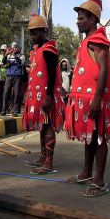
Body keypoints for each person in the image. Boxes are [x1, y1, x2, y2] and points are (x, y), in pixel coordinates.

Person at [64, 0, 110, 195]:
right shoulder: (87, 40)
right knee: (89, 137)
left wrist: (97, 99)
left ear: (93, 19)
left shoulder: (98, 40)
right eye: (77, 18)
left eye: (82, 18)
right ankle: (86, 172)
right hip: (85, 98)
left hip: (96, 99)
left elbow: (103, 71)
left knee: (99, 138)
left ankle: (99, 180)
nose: (78, 21)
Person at [23, 14, 65, 175]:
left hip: (46, 95)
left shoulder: (49, 48)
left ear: (43, 31)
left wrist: (48, 96)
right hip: (37, 94)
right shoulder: (36, 50)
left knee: (47, 126)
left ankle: (49, 162)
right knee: (41, 126)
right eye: (30, 33)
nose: (32, 36)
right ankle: (42, 157)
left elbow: (52, 74)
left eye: (35, 33)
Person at [1, 42, 24, 116]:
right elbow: (3, 62)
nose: (14, 49)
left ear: (19, 48)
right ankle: (4, 110)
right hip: (9, 75)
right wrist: (6, 54)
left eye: (16, 47)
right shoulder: (9, 55)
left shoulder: (21, 56)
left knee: (16, 93)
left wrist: (14, 55)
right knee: (6, 92)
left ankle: (15, 111)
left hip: (18, 76)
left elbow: (20, 62)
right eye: (13, 47)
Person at [0, 45, 8, 113]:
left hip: (7, 78)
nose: (3, 51)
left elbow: (8, 65)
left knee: (5, 94)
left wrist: (2, 65)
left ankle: (4, 108)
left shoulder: (8, 56)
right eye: (2, 50)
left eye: (4, 50)